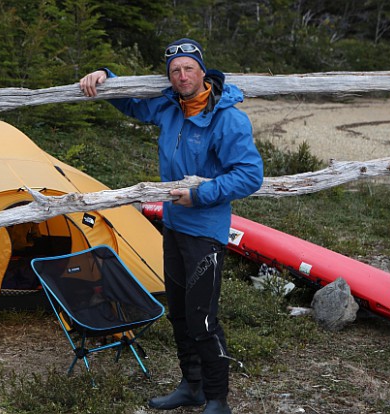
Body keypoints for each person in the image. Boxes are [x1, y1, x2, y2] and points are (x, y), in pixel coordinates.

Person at [79, 38, 263, 414]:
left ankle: (217, 398)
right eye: (175, 70)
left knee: (203, 316)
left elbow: (250, 175)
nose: (182, 76)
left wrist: (198, 196)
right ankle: (191, 386)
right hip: (174, 226)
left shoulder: (227, 117)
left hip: (206, 230)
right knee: (179, 311)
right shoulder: (170, 107)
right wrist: (106, 78)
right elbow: (132, 103)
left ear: (202, 71)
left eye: (188, 69)